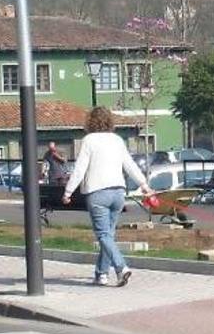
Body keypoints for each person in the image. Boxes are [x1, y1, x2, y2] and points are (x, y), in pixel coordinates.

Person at [62, 107, 154, 287]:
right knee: (109, 235)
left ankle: (121, 268)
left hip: (97, 192)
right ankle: (101, 274)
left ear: (90, 122)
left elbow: (80, 168)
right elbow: (129, 164)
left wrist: (68, 192)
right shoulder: (117, 140)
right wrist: (144, 184)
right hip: (118, 192)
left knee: (103, 235)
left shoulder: (89, 140)